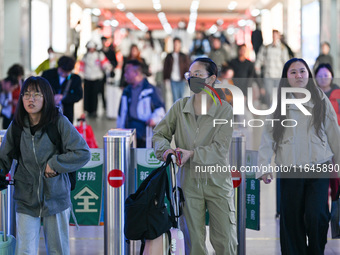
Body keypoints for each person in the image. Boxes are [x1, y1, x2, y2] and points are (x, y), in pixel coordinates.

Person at [153, 58, 237, 255]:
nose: (192, 79)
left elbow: (221, 149)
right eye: (189, 75)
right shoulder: (179, 107)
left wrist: (192, 154)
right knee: (193, 242)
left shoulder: (224, 109)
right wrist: (165, 150)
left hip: (217, 182)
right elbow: (159, 134)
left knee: (225, 240)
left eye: (198, 75)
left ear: (212, 79)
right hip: (189, 183)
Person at [257, 58, 340, 255]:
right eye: (293, 72)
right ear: (286, 77)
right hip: (290, 169)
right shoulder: (279, 105)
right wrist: (264, 165)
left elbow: (334, 133)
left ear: (308, 75)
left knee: (317, 215)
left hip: (318, 166)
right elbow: (268, 136)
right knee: (291, 220)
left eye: (302, 71)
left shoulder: (320, 99)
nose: (298, 75)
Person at [0, 76, 91, 255]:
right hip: (26, 197)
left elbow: (83, 152)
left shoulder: (58, 122)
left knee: (58, 251)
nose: (30, 99)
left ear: (46, 98)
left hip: (56, 196)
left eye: (36, 95)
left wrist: (56, 164)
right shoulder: (17, 126)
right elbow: (4, 159)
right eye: (26, 94)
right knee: (25, 250)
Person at [117, 60, 165, 148]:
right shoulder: (126, 91)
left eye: (127, 71)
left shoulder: (151, 90)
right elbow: (121, 113)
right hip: (128, 132)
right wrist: (119, 130)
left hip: (144, 132)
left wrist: (153, 119)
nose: (124, 75)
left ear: (136, 73)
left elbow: (161, 109)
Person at [314, 63, 340, 207]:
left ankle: (336, 208)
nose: (323, 78)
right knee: (321, 180)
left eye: (326, 75)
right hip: (318, 142)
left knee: (335, 177)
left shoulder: (338, 93)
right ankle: (322, 211)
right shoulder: (312, 95)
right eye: (320, 75)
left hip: (336, 140)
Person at [42, 56, 83, 123]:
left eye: (67, 72)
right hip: (48, 112)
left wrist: (63, 97)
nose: (64, 74)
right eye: (62, 71)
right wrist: (51, 98)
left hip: (67, 114)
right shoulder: (47, 75)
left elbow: (79, 95)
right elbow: (40, 90)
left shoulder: (75, 79)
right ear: (58, 67)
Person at [255, 30, 289, 106]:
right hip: (268, 75)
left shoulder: (282, 48)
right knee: (269, 94)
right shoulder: (266, 48)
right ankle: (271, 110)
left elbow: (286, 62)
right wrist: (257, 67)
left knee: (277, 95)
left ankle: (275, 111)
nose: (274, 37)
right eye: (273, 35)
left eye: (276, 35)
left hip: (278, 75)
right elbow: (260, 59)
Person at [79, 40, 112, 118]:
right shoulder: (85, 56)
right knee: (87, 95)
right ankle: (87, 110)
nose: (91, 49)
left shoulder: (99, 55)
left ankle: (94, 110)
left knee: (95, 95)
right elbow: (82, 66)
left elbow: (105, 63)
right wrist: (81, 75)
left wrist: (108, 68)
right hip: (87, 78)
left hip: (97, 78)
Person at [163, 37, 190, 102]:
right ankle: (176, 111)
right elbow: (165, 68)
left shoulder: (183, 56)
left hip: (182, 79)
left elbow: (187, 67)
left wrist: (188, 77)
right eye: (175, 44)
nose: (176, 46)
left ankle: (181, 111)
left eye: (177, 44)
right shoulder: (169, 56)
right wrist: (165, 78)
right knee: (175, 98)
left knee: (182, 98)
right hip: (173, 80)